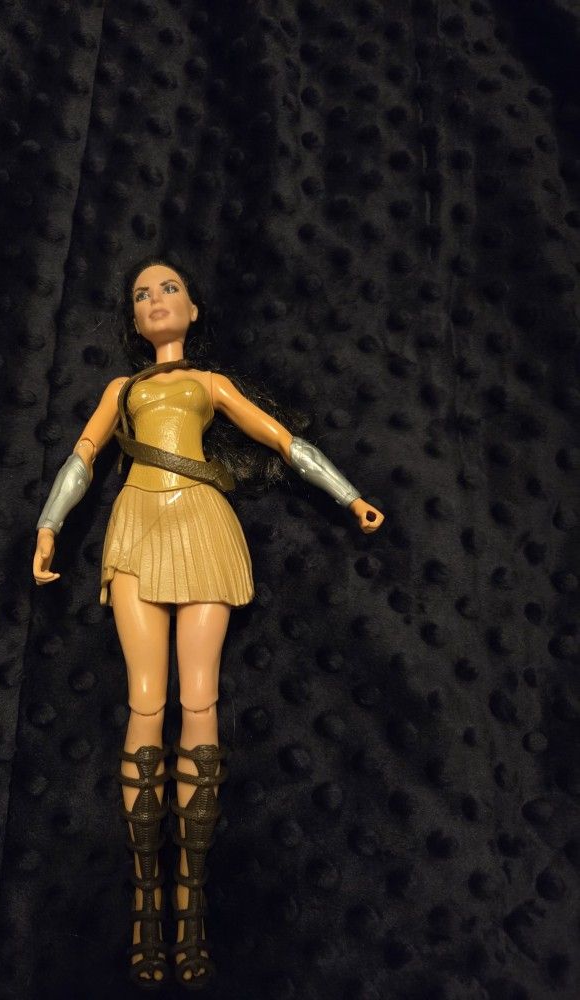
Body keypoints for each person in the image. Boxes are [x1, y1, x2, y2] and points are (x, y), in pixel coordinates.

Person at [32, 257, 384, 989]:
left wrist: (350, 494)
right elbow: (83, 457)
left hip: (202, 523)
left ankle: (189, 907)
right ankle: (145, 903)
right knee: (146, 698)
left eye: (170, 289)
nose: (156, 300)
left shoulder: (209, 384)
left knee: (199, 698)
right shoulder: (122, 390)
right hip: (135, 528)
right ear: (134, 320)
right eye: (142, 294)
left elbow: (282, 440)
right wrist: (48, 525)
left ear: (193, 309)